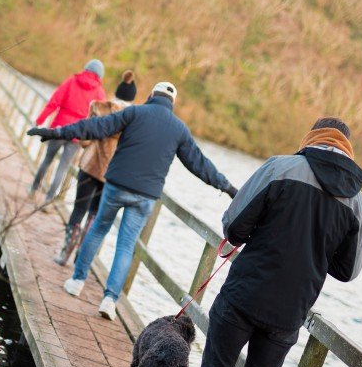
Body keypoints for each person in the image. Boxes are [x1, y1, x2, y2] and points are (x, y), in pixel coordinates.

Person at [145, 117, 362, 367]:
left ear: (312, 138)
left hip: (243, 297)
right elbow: (347, 270)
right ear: (347, 150)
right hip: (288, 314)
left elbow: (234, 224)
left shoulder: (281, 167)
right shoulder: (358, 201)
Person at [28, 82, 237, 320]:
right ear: (173, 103)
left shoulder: (134, 112)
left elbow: (96, 127)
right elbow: (199, 164)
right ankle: (110, 299)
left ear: (150, 95)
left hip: (116, 186)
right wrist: (227, 187)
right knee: (126, 245)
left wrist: (56, 132)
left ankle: (77, 281)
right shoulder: (179, 129)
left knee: (98, 229)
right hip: (146, 195)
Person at [54, 70, 137, 266]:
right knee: (95, 216)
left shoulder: (99, 107)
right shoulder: (134, 118)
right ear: (133, 98)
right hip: (112, 173)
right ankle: (80, 258)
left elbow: (84, 139)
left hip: (90, 165)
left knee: (78, 209)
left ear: (116, 92)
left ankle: (65, 253)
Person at [28, 59, 106, 204]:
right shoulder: (100, 93)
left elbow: (54, 102)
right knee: (63, 167)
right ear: (100, 75)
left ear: (86, 68)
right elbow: (100, 119)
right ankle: (48, 199)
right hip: (78, 133)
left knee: (47, 159)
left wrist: (39, 121)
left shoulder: (72, 81)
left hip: (60, 128)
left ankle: (33, 189)